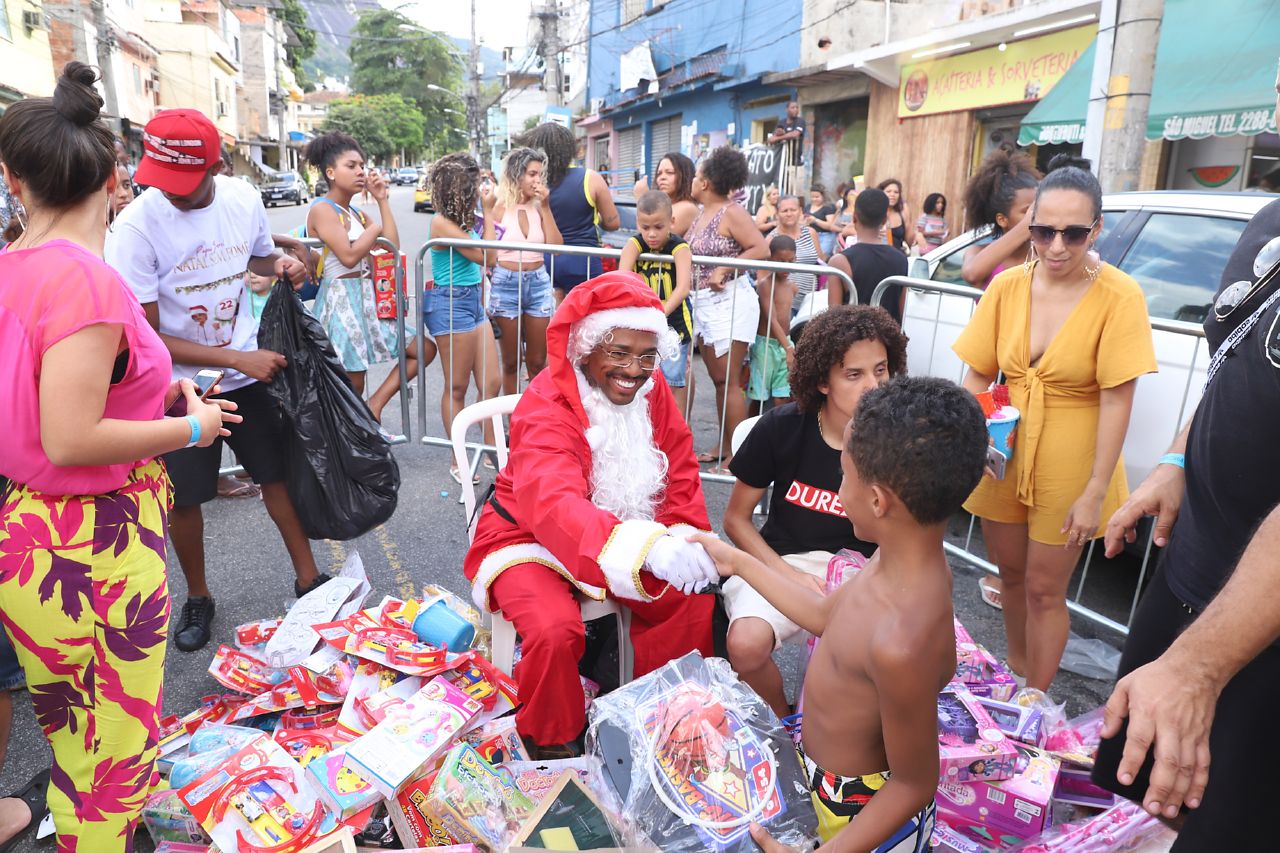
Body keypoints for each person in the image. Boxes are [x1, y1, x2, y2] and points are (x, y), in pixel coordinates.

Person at [0, 64, 237, 850]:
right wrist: (191, 430)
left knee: (77, 739)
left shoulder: (13, 271)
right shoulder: (90, 284)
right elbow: (72, 435)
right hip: (96, 542)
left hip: (34, 536)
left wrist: (157, 393)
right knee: (119, 758)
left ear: (12, 181)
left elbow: (54, 403)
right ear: (113, 178)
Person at [695, 376, 988, 852]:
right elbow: (825, 616)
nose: (839, 483)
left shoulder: (901, 641)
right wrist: (738, 561)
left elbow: (914, 783)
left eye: (843, 472)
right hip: (825, 784)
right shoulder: (894, 562)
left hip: (857, 815)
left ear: (877, 500)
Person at [1091, 117, 1280, 844]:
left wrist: (1198, 669)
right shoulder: (1268, 222)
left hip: (1256, 637)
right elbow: (1236, 361)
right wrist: (1175, 460)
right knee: (1160, 798)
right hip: (1195, 566)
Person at [463, 272, 718, 758]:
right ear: (586, 349)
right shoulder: (547, 401)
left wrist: (685, 537)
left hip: (624, 533)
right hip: (526, 539)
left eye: (647, 355)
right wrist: (647, 549)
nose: (634, 370)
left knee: (691, 601)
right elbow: (552, 505)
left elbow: (679, 463)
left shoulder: (653, 388)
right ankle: (551, 742)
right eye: (618, 353)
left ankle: (667, 725)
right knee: (555, 629)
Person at [104, 107, 319, 653]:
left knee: (276, 475)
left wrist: (287, 265)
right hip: (177, 389)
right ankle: (198, 596)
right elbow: (147, 339)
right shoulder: (135, 228)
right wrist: (239, 359)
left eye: (184, 182)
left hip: (247, 378)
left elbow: (258, 258)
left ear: (217, 166)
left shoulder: (242, 198)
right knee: (187, 498)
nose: (169, 195)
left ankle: (309, 580)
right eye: (160, 181)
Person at [952, 161, 1157, 692]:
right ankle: (1016, 675)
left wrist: (1094, 490)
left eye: (1075, 233)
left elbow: (1117, 400)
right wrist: (969, 437)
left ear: (1097, 229)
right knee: (1011, 579)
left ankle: (1035, 701)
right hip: (1004, 447)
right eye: (1044, 231)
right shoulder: (1007, 287)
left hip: (1073, 456)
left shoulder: (1119, 294)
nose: (1058, 246)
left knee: (1045, 590)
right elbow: (978, 368)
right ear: (1029, 226)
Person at [725, 305, 907, 717]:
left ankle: (833, 734)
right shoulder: (780, 427)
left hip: (867, 571)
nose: (873, 387)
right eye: (854, 374)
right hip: (782, 561)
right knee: (745, 644)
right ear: (822, 381)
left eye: (881, 370)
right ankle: (786, 724)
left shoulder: (899, 439)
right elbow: (736, 520)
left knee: (881, 664)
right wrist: (788, 575)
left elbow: (904, 537)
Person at [304, 131, 426, 427]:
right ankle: (349, 443)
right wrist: (374, 230)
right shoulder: (322, 209)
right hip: (341, 299)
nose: (360, 171)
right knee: (353, 382)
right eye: (351, 165)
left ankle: (375, 406)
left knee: (421, 350)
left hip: (367, 297)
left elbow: (391, 249)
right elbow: (347, 256)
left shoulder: (356, 213)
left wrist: (382, 200)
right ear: (331, 172)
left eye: (362, 165)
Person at [686, 146, 769, 471]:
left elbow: (760, 248)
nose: (692, 181)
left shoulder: (732, 212)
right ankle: (724, 445)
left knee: (730, 380)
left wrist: (726, 267)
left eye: (696, 175)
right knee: (719, 380)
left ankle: (740, 455)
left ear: (705, 182)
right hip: (705, 303)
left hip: (731, 301)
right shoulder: (700, 213)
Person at [426, 152, 503, 484]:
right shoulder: (442, 222)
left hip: (472, 301)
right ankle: (458, 459)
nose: (478, 189)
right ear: (457, 188)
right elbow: (490, 256)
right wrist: (487, 211)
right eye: (473, 184)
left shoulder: (464, 221)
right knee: (457, 386)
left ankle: (490, 449)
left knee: (492, 382)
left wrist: (483, 214)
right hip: (451, 303)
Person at [517, 123, 619, 299]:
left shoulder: (532, 184)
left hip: (546, 263)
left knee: (553, 321)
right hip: (584, 262)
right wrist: (597, 217)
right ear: (570, 149)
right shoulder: (590, 178)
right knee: (585, 322)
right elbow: (613, 224)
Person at [490, 146, 563, 395]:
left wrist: (546, 207)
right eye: (532, 174)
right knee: (511, 361)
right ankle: (513, 424)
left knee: (536, 362)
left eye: (539, 174)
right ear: (516, 175)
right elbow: (487, 251)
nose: (537, 180)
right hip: (505, 283)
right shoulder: (497, 206)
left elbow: (556, 249)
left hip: (539, 282)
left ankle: (535, 420)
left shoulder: (540, 207)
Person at [620, 190, 694, 417]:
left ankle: (676, 436)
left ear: (671, 222)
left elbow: (682, 288)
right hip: (644, 327)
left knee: (673, 384)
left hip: (676, 327)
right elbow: (622, 276)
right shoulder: (635, 243)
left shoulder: (679, 247)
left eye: (658, 227)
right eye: (645, 227)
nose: (651, 234)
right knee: (643, 382)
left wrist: (658, 313)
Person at [961, 150, 1040, 291]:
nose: (1036, 216)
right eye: (1027, 211)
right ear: (1002, 220)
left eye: (1038, 209)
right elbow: (971, 274)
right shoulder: (978, 251)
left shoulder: (1043, 254)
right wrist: (1027, 225)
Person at [828, 188, 908, 323]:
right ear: (884, 220)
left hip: (851, 340)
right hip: (887, 341)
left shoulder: (840, 261)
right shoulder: (901, 259)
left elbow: (832, 316)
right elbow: (901, 311)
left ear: (854, 218)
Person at [748, 234, 798, 410]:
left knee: (782, 394)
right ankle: (750, 431)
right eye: (780, 261)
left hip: (784, 344)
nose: (786, 266)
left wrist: (787, 346)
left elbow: (787, 318)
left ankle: (776, 432)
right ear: (770, 259)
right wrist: (789, 348)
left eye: (790, 261)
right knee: (758, 397)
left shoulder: (792, 287)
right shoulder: (765, 285)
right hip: (766, 346)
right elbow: (772, 319)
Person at [768, 195, 825, 317]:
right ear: (777, 213)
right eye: (784, 211)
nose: (789, 214)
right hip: (785, 303)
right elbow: (764, 275)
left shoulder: (811, 233)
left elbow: (820, 262)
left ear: (800, 211)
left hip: (811, 302)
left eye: (793, 210)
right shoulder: (771, 239)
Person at [653, 152, 699, 237]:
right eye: (659, 173)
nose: (662, 177)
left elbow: (655, 238)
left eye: (669, 172)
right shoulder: (666, 205)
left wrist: (641, 198)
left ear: (684, 176)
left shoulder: (687, 207)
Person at [769, 101, 805, 193]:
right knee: (781, 190)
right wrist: (779, 135)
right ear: (786, 109)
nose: (796, 110)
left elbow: (795, 134)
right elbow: (772, 139)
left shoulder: (800, 121)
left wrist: (780, 137)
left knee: (796, 192)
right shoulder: (781, 122)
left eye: (797, 107)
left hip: (795, 164)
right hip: (781, 163)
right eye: (793, 107)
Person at [878, 178, 915, 254]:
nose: (892, 195)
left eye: (896, 192)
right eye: (888, 191)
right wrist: (871, 233)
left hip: (897, 256)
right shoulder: (873, 211)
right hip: (878, 255)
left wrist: (908, 217)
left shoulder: (902, 213)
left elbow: (909, 241)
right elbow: (850, 229)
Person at [805, 184, 839, 256]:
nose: (814, 199)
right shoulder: (808, 207)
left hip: (825, 236)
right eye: (812, 197)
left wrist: (815, 220)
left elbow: (830, 226)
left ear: (823, 196)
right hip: (810, 235)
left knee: (822, 256)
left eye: (817, 197)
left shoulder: (828, 207)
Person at [834, 185, 859, 250]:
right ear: (845, 197)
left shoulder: (860, 211)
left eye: (855, 195)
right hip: (839, 240)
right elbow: (831, 225)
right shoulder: (840, 210)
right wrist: (843, 230)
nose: (854, 197)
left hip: (853, 241)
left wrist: (849, 228)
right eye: (851, 195)